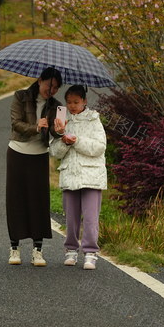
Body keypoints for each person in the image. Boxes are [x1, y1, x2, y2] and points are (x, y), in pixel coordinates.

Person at [6, 67, 64, 266]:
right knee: (16, 199)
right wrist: (36, 127)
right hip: (17, 152)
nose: (52, 90)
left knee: (39, 201)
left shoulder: (56, 106)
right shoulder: (20, 97)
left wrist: (59, 131)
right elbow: (16, 123)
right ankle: (14, 248)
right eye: (50, 85)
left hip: (39, 155)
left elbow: (56, 136)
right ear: (40, 80)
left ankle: (37, 250)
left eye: (56, 87)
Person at [49, 84, 107, 270]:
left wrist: (77, 140)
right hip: (70, 175)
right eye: (69, 102)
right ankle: (71, 251)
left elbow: (99, 147)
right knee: (71, 218)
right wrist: (63, 139)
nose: (72, 105)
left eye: (76, 102)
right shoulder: (61, 121)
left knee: (90, 218)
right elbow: (55, 152)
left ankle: (90, 253)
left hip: (91, 175)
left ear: (84, 101)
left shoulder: (93, 119)